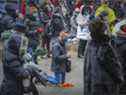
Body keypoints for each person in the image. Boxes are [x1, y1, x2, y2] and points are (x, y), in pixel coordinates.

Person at [84, 19, 123, 95]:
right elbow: (113, 67)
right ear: (103, 31)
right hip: (105, 87)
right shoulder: (105, 47)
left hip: (92, 84)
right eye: (106, 28)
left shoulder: (90, 45)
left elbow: (87, 68)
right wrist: (119, 78)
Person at [0, 22, 30, 95]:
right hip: (11, 88)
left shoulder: (11, 48)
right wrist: (27, 72)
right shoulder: (11, 56)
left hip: (13, 84)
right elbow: (17, 70)